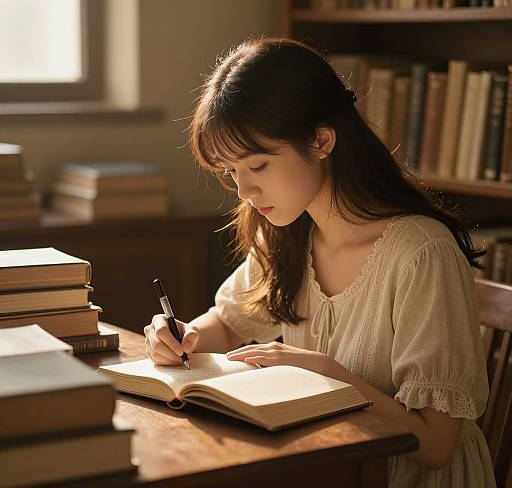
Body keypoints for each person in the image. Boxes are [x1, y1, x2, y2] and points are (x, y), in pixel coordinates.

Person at [144, 37, 495, 487]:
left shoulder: (421, 254)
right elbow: (231, 324)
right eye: (231, 172)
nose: (243, 192)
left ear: (321, 141)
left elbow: (436, 447)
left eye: (258, 166)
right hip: (326, 465)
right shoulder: (288, 231)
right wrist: (178, 337)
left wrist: (327, 376)